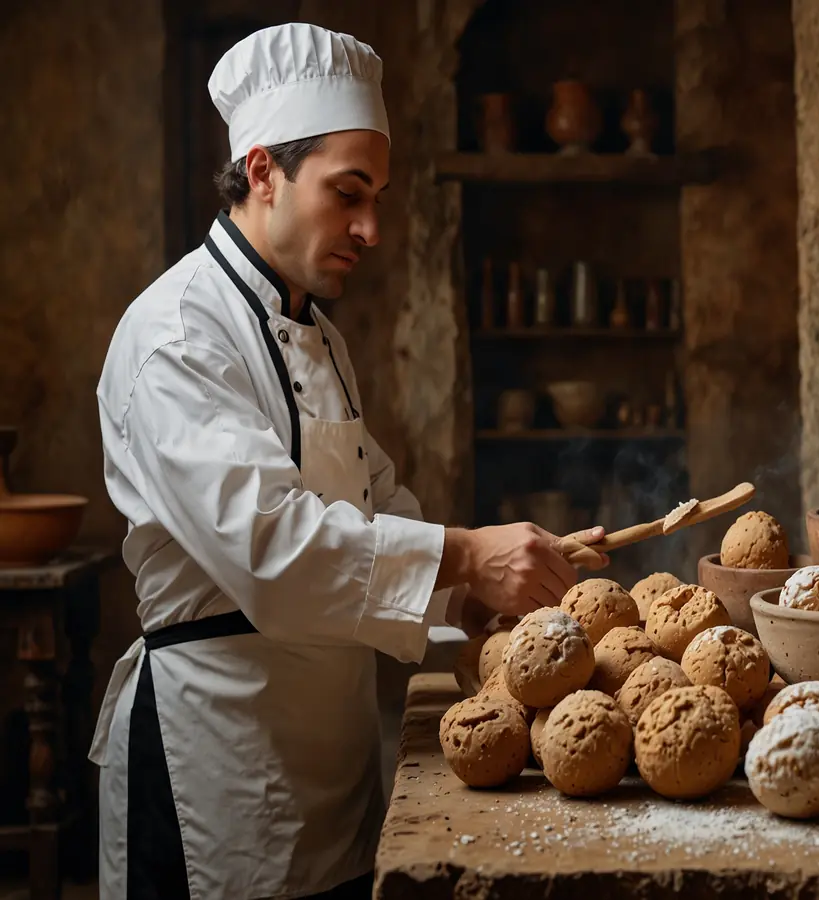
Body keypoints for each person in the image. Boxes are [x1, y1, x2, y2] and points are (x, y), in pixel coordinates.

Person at [90, 22, 606, 899]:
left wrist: (476, 596)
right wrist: (467, 554)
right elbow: (271, 547)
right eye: (347, 194)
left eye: (378, 198)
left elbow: (375, 507)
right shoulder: (175, 337)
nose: (370, 228)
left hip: (332, 770)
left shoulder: (320, 337)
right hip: (216, 773)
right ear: (262, 171)